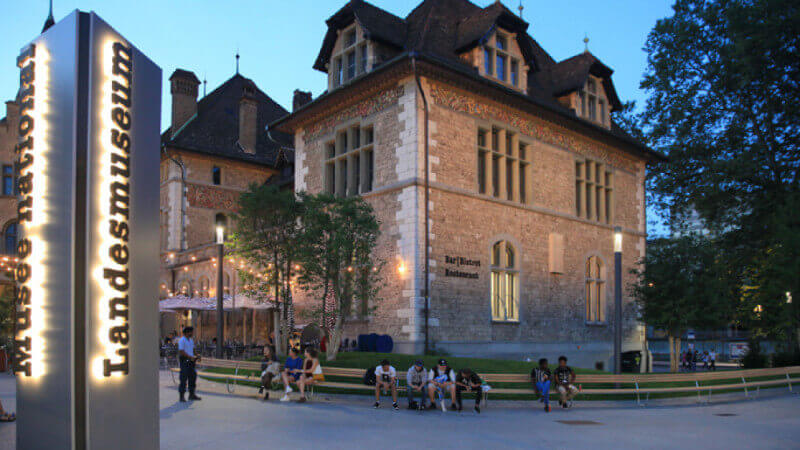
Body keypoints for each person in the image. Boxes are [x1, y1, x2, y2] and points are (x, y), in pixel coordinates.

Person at [177, 326, 202, 402]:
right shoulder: (182, 340)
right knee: (183, 378)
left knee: (192, 377)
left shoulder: (190, 340)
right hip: (185, 361)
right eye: (191, 332)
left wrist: (197, 355)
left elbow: (193, 349)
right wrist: (190, 357)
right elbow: (181, 351)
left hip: (191, 361)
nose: (192, 333)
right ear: (188, 332)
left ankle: (192, 394)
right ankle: (182, 396)